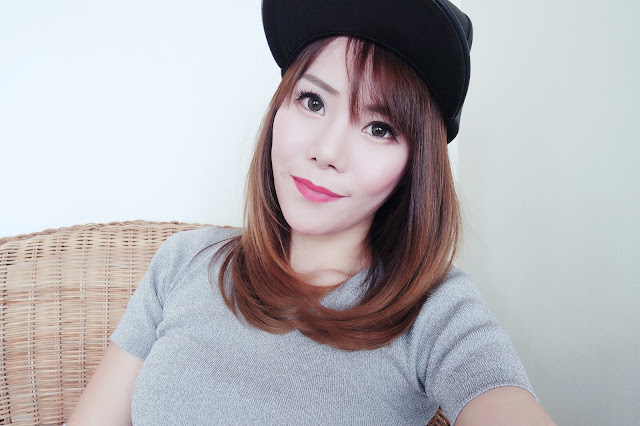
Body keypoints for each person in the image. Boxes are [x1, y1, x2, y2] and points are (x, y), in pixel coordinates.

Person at [69, 1, 555, 424]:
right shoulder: (184, 262)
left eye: (379, 128)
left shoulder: (436, 311)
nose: (327, 151)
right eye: (313, 101)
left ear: (415, 165)